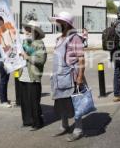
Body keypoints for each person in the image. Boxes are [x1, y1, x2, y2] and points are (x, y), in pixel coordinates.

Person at [49, 11, 86, 142]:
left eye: (59, 22)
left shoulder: (74, 38)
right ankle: (64, 125)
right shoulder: (59, 39)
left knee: (76, 104)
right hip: (59, 77)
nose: (57, 24)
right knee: (61, 103)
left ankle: (78, 129)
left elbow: (81, 59)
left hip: (71, 78)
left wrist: (80, 76)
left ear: (66, 24)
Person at [19, 20, 47, 131]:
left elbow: (41, 60)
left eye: (30, 30)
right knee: (25, 100)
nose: (27, 32)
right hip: (23, 75)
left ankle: (37, 122)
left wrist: (27, 57)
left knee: (34, 101)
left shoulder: (39, 43)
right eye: (27, 29)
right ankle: (27, 121)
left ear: (36, 32)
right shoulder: (25, 43)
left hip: (33, 77)